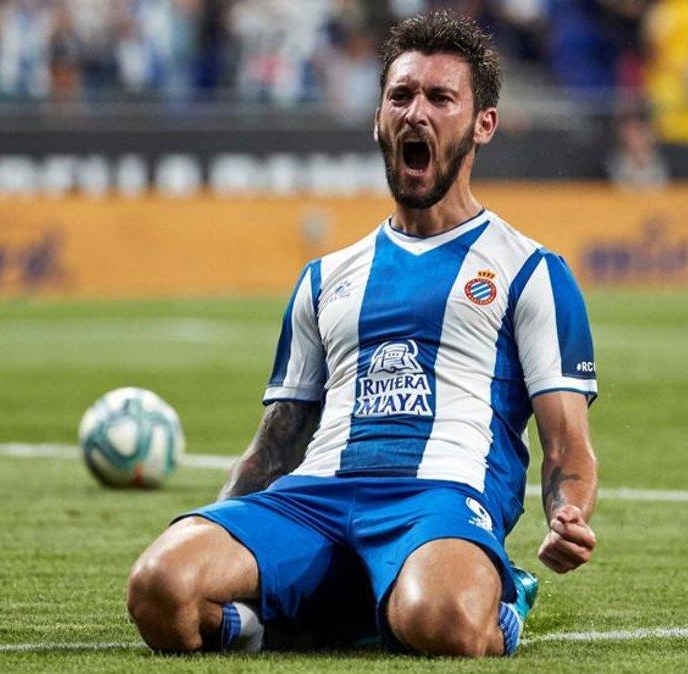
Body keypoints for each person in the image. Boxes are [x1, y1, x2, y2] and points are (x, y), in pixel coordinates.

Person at [126, 10, 600, 658]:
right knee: (161, 588)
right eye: (400, 95)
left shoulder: (530, 272)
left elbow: (566, 443)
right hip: (315, 501)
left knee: (445, 626)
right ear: (377, 116)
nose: (415, 113)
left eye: (440, 98)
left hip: (438, 501)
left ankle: (499, 594)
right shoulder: (325, 278)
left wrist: (566, 515)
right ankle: (315, 613)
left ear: (482, 124)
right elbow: (278, 442)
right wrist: (222, 528)